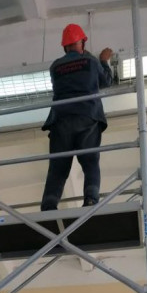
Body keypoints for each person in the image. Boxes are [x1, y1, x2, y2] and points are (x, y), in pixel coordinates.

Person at [40, 23, 114, 211]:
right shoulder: (91, 61)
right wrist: (104, 61)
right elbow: (106, 81)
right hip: (87, 117)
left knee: (58, 168)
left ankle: (49, 205)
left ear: (64, 46)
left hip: (60, 121)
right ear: (82, 43)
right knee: (90, 163)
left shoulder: (55, 66)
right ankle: (90, 200)